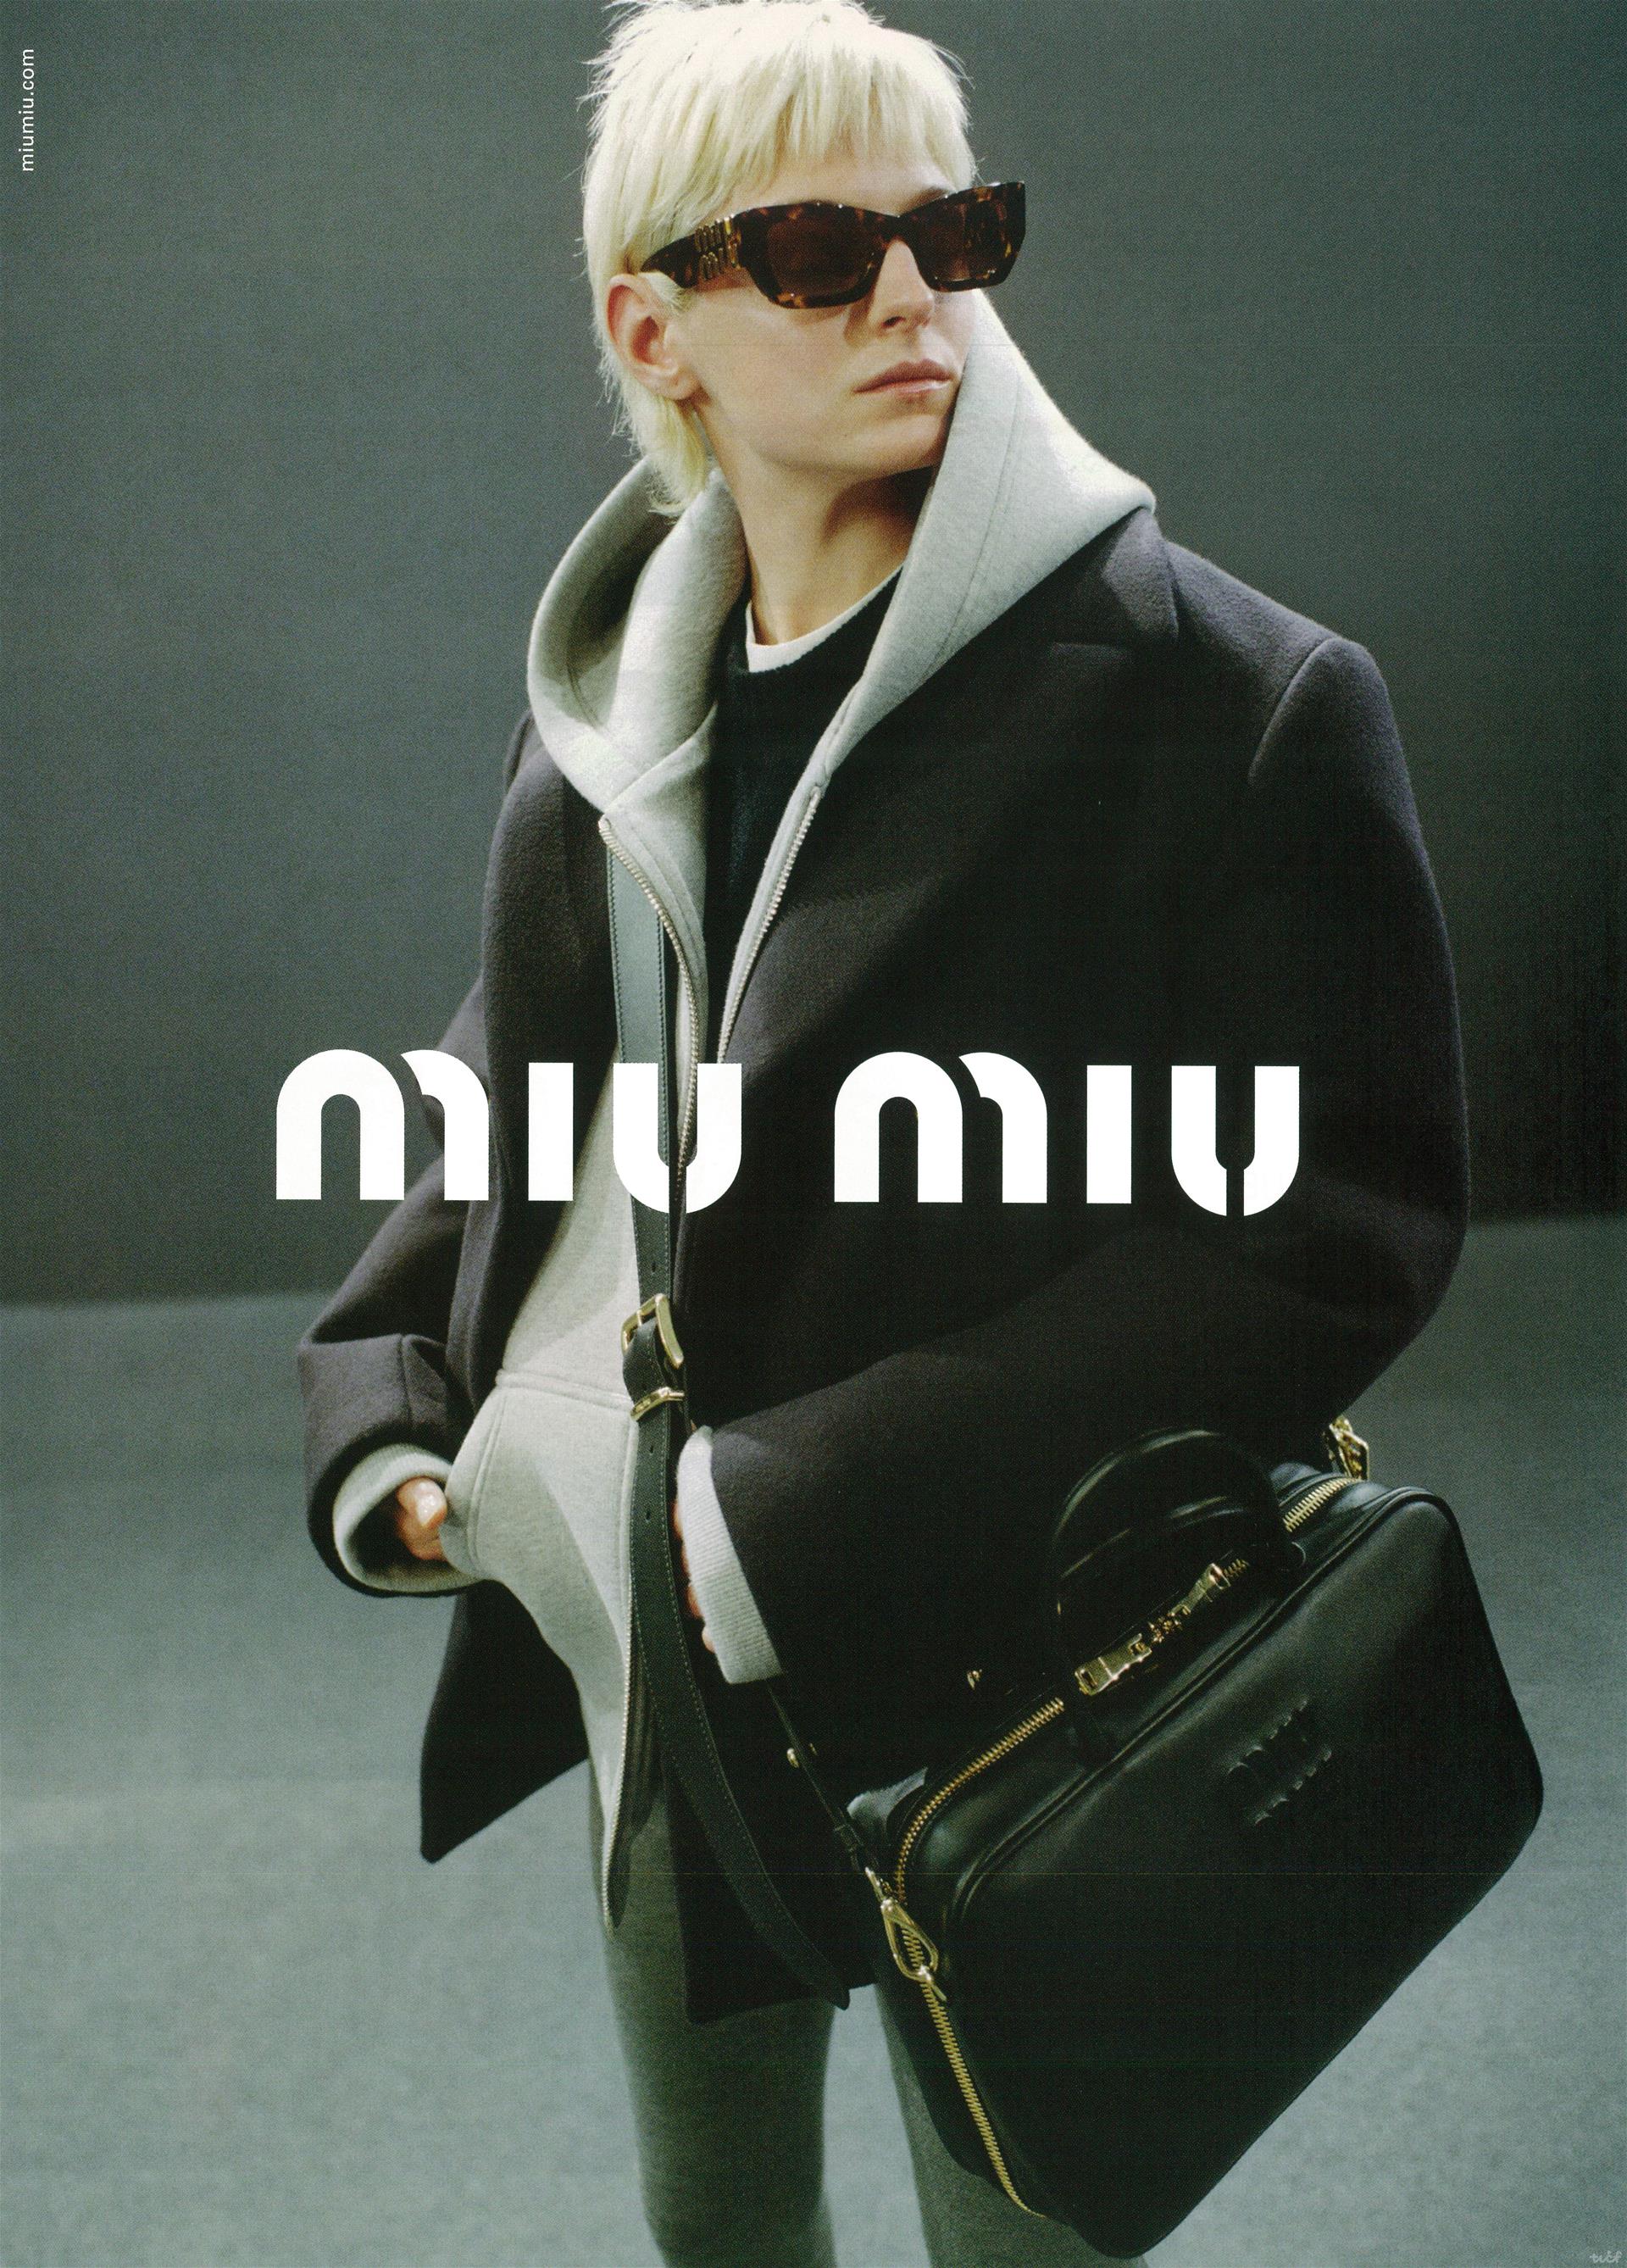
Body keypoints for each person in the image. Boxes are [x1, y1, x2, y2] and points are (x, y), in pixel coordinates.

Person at [296, 2, 1470, 2261]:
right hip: (674, 1698)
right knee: (717, 2223)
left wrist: (773, 1517)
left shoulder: (1238, 706)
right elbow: (521, 1086)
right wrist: (390, 1414)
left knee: (1022, 2231)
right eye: (825, 253)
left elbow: (1327, 1233)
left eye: (959, 230)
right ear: (654, 330)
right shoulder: (611, 719)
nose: (915, 293)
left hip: (1044, 1676)